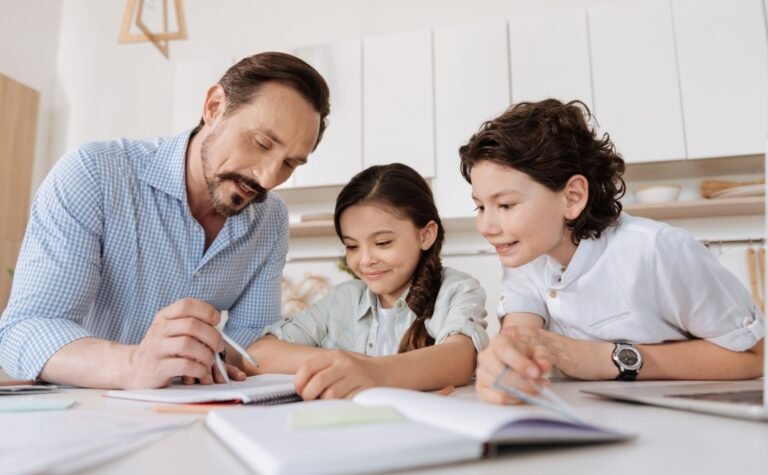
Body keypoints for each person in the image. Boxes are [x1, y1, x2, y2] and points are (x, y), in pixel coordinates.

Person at [0, 52, 330, 389]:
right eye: (261, 143)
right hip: (84, 403)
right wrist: (133, 365)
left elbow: (250, 341)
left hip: (193, 405)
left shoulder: (270, 218)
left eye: (290, 163)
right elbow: (24, 329)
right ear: (214, 107)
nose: (269, 178)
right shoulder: (94, 175)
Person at [459, 99, 766, 405]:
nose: (485, 226)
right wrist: (509, 363)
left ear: (572, 197)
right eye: (480, 207)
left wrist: (608, 358)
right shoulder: (525, 255)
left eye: (505, 205)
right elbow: (522, 334)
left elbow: (754, 356)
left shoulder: (656, 250)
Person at [242, 163, 489, 399]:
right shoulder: (342, 300)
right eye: (352, 246)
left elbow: (460, 358)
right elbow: (256, 355)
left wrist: (370, 370)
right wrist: (344, 363)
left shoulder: (456, 290)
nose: (365, 260)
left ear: (425, 235)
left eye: (382, 243)